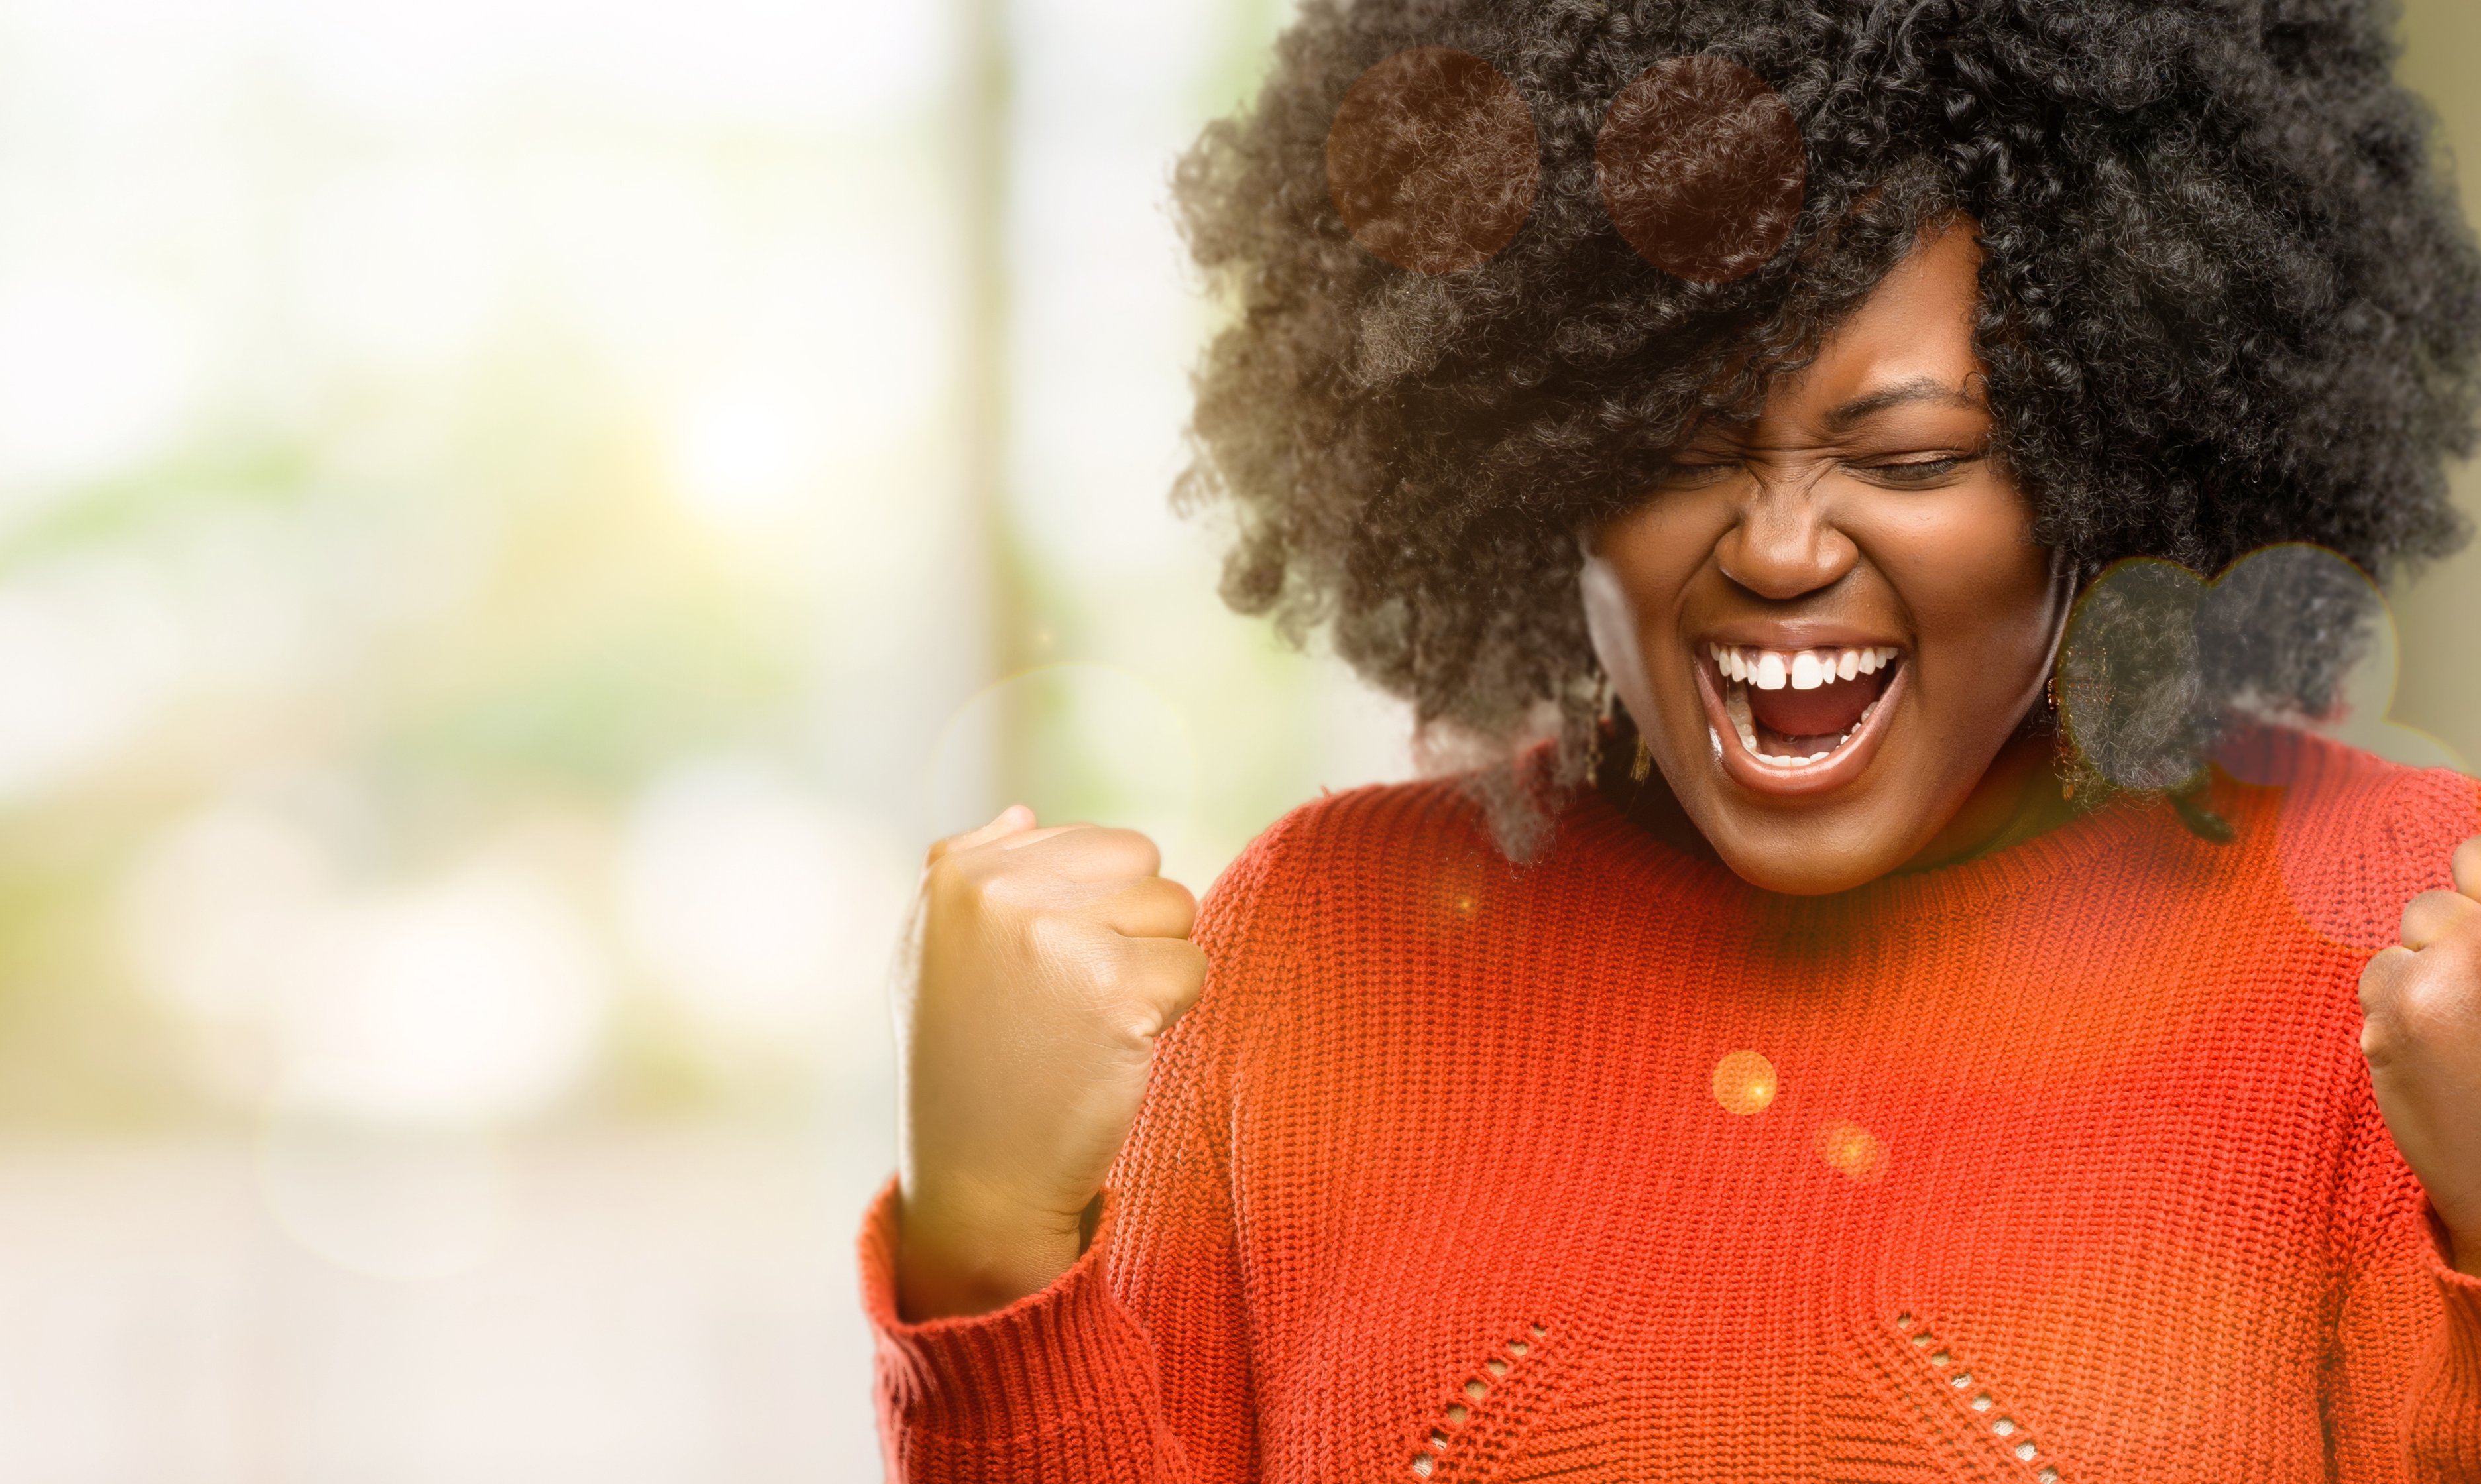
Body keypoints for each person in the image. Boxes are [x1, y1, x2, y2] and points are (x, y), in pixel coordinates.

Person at [864, 1, 2481, 1478]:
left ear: (2113, 456)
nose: (1779, 550)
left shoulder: (2400, 935)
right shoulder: (1311, 953)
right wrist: (989, 1252)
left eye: (1911, 457)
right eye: (1670, 446)